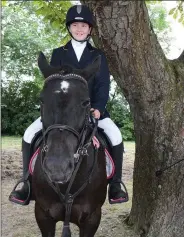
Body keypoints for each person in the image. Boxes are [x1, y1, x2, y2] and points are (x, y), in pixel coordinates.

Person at [9, 4, 128, 205]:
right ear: (69, 28)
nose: (79, 29)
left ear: (90, 29)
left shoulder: (98, 56)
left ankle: (115, 184)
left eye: (83, 26)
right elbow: (53, 84)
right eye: (75, 25)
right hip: (60, 112)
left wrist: (98, 107)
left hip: (91, 110)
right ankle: (26, 183)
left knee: (115, 135)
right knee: (29, 133)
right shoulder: (58, 54)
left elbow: (102, 85)